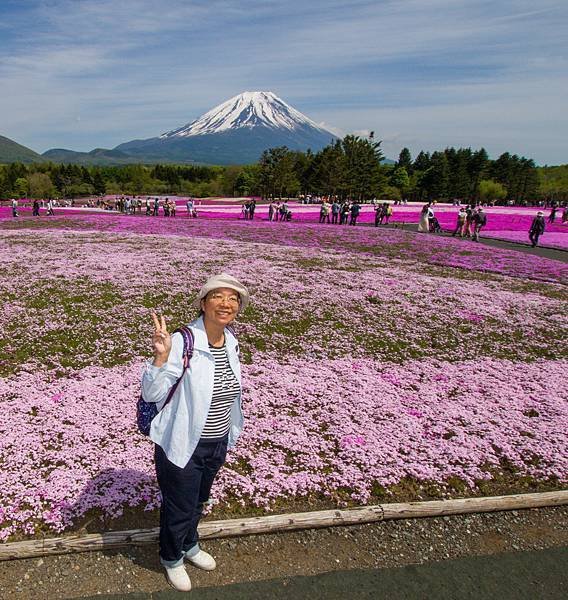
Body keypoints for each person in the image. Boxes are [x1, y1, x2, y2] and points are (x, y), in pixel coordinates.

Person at [142, 274, 249, 592]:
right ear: (203, 303)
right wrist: (161, 358)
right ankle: (171, 557)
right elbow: (152, 392)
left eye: (233, 298)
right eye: (218, 296)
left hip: (217, 440)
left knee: (199, 500)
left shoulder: (230, 340)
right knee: (179, 505)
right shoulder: (184, 340)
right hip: (183, 442)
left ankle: (189, 545)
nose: (226, 303)